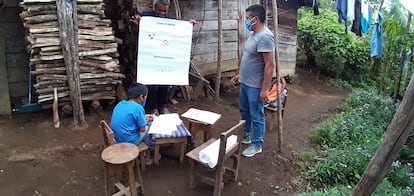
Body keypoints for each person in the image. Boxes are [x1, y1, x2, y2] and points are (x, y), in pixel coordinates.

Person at [130, 0, 196, 114]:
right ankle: (152, 107)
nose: (162, 13)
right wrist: (137, 25)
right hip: (150, 56)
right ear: (154, 7)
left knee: (164, 81)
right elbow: (136, 33)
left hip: (165, 57)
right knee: (151, 82)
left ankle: (162, 106)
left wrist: (188, 26)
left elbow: (178, 33)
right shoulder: (145, 17)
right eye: (160, 10)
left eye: (165, 11)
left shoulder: (170, 20)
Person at [230, 4, 275, 157]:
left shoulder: (265, 36)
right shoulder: (253, 34)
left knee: (257, 115)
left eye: (248, 19)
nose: (246, 22)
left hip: (256, 86)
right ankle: (246, 135)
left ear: (256, 19)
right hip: (245, 82)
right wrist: (239, 75)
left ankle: (257, 144)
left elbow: (269, 65)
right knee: (245, 111)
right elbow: (248, 57)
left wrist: (264, 89)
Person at [110, 83, 157, 164]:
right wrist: (145, 121)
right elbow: (142, 129)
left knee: (146, 125)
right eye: (145, 97)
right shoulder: (138, 108)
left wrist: (144, 117)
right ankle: (149, 154)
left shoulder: (121, 104)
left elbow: (128, 117)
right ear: (141, 97)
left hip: (117, 138)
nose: (145, 99)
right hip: (128, 141)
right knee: (148, 127)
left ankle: (147, 154)